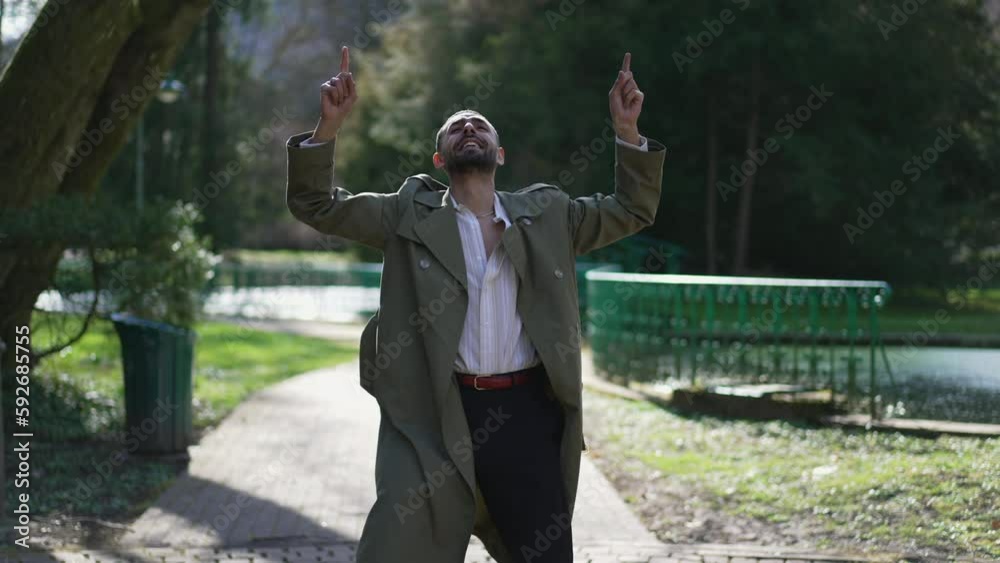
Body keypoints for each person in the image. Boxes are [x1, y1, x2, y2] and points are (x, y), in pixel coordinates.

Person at [286, 46, 665, 563]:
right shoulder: (406, 216)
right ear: (440, 160)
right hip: (434, 416)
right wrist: (328, 127)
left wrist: (626, 130)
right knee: (400, 547)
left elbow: (633, 208)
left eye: (480, 125)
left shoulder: (550, 216)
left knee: (543, 554)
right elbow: (316, 204)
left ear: (499, 154)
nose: (469, 127)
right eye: (456, 127)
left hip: (527, 415)